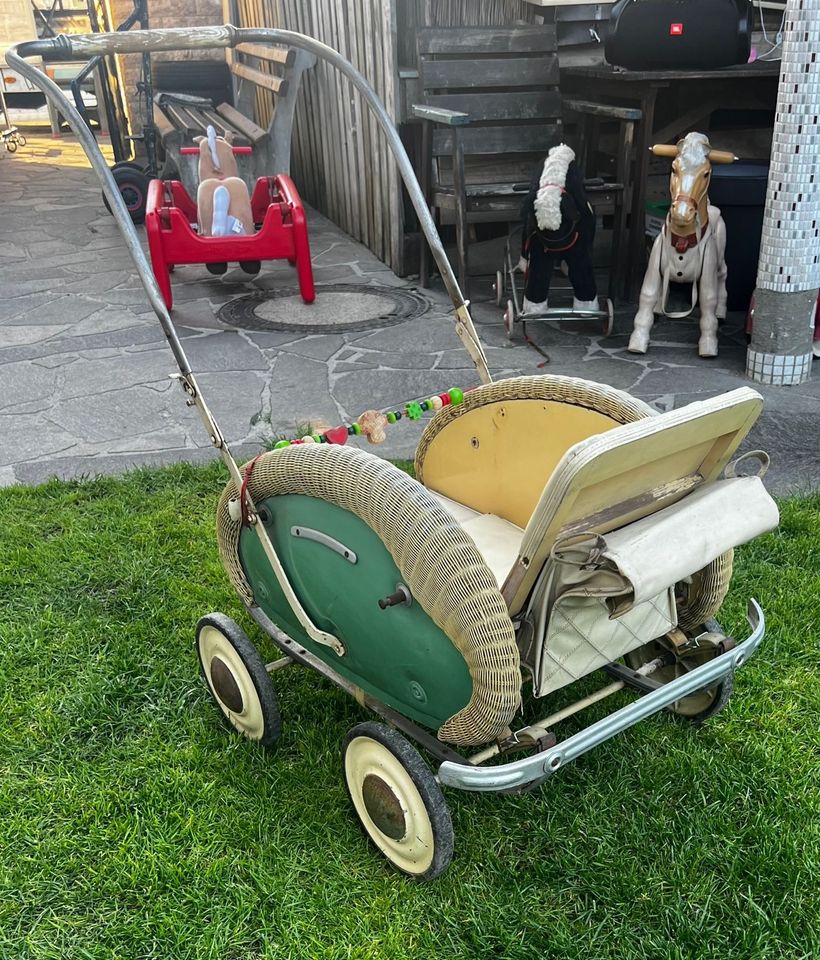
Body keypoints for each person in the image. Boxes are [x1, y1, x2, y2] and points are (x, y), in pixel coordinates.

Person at [520, 143, 599, 315]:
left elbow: (581, 206)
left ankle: (535, 303)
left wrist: (523, 257)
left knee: (546, 261)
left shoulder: (571, 177)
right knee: (576, 259)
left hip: (559, 228)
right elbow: (585, 211)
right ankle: (586, 302)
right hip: (552, 227)